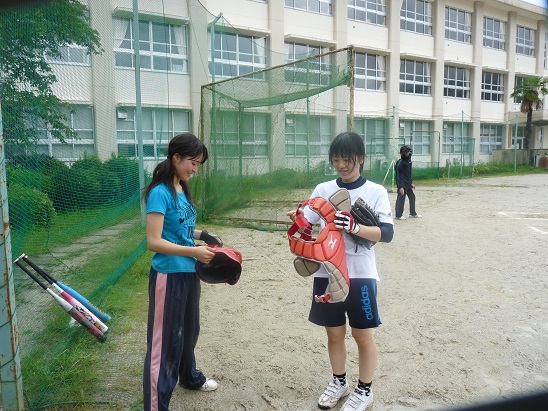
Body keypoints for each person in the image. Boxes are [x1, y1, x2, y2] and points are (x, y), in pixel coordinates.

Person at [287, 131, 394, 411]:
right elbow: (307, 222)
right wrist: (297, 218)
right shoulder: (323, 189)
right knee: (333, 333)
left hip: (361, 274)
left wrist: (355, 227)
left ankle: (365, 390)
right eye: (336, 160)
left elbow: (387, 233)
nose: (341, 165)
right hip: (327, 272)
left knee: (362, 335)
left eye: (347, 160)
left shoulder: (376, 191)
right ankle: (339, 382)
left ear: (360, 158)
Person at [142, 133, 223, 411]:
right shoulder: (159, 192)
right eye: (192, 162)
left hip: (189, 273)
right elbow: (154, 241)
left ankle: (188, 377)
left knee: (190, 330)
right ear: (176, 157)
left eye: (199, 164)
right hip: (169, 275)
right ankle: (155, 405)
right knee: (164, 342)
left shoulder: (181, 187)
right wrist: (194, 251)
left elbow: (179, 229)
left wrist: (204, 234)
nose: (195, 169)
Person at [395, 145, 422, 220]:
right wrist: (400, 187)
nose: (408, 153)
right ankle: (398, 215)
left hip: (408, 184)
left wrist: (411, 183)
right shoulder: (400, 163)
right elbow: (399, 176)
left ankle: (412, 213)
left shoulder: (409, 161)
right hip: (403, 185)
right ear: (402, 153)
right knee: (401, 199)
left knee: (412, 197)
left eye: (408, 152)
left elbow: (408, 174)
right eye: (406, 152)